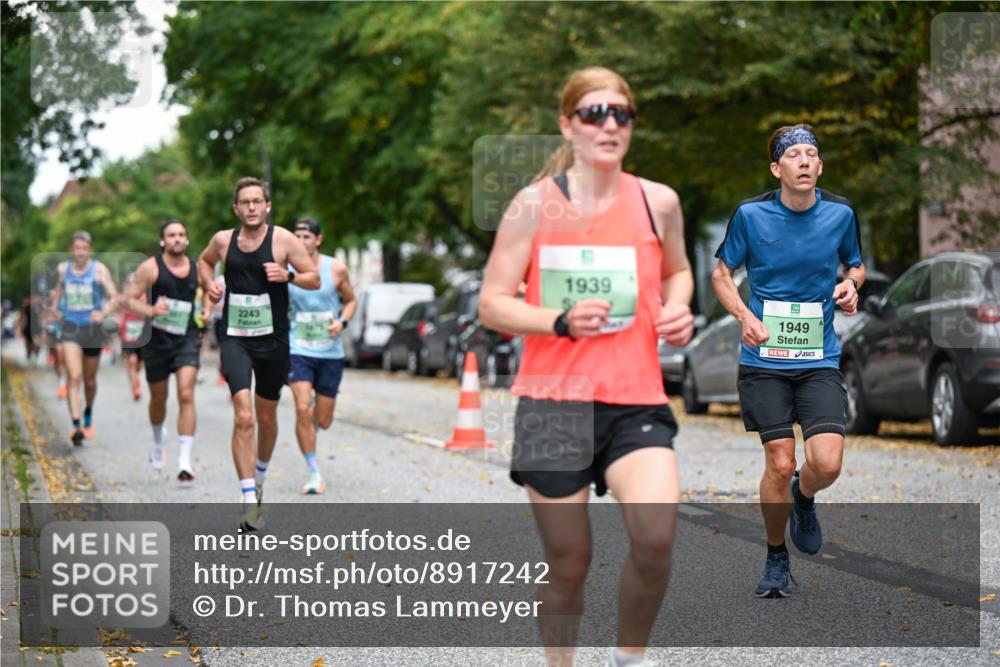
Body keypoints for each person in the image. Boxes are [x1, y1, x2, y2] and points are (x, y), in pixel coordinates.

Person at [478, 67, 694, 667]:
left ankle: (629, 656)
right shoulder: (533, 205)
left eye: (621, 114)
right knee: (569, 564)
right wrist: (559, 321)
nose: (610, 125)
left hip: (635, 400)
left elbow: (678, 272)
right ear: (568, 124)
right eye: (595, 113)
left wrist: (678, 309)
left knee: (655, 538)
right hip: (553, 404)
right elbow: (492, 301)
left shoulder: (659, 201)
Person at [711, 124, 865, 598]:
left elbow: (854, 263)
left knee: (828, 463)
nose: (803, 161)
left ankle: (804, 495)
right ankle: (776, 557)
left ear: (820, 167)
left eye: (810, 154)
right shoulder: (751, 216)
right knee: (779, 461)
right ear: (777, 169)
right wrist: (742, 315)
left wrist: (851, 285)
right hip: (764, 359)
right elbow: (721, 272)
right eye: (793, 155)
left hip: (818, 357)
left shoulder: (840, 214)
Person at [198, 177, 319, 530]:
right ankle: (248, 497)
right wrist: (211, 284)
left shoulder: (284, 240)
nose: (251, 207)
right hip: (235, 337)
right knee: (244, 417)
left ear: (267, 206)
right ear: (235, 208)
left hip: (273, 340)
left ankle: (260, 476)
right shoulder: (223, 240)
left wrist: (289, 275)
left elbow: (314, 277)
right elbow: (204, 263)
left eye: (257, 202)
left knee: (266, 417)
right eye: (244, 202)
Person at [126, 220, 207, 481]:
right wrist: (150, 311)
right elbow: (127, 298)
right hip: (157, 341)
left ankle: (184, 460)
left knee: (186, 394)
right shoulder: (150, 267)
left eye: (182, 234)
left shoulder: (197, 268)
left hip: (187, 339)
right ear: (163, 240)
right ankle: (158, 440)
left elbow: (209, 292)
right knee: (158, 399)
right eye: (171, 235)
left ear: (187, 239)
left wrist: (206, 311)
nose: (177, 239)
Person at [287, 218, 356, 495]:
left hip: (330, 351)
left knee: (323, 421)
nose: (301, 241)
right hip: (298, 349)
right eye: (297, 236)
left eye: (306, 236)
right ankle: (314, 472)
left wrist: (342, 322)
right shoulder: (286, 269)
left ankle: (316, 407)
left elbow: (350, 301)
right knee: (302, 408)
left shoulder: (336, 268)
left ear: (318, 239)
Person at [48, 231, 119, 446]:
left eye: (84, 248)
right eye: (76, 248)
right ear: (71, 250)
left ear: (89, 250)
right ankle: (76, 425)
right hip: (70, 327)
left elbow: (114, 296)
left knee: (89, 380)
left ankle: (88, 411)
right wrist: (55, 309)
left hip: (92, 330)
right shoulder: (63, 270)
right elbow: (57, 294)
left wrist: (103, 313)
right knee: (75, 375)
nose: (80, 252)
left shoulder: (98, 270)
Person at [119, 284, 147, 401]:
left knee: (139, 364)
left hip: (142, 336)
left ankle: (135, 378)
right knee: (132, 361)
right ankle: (135, 387)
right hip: (128, 335)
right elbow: (118, 313)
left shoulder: (146, 297)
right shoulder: (122, 298)